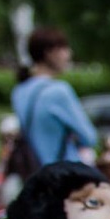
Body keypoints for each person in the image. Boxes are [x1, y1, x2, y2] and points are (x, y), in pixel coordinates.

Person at [11, 27, 98, 167]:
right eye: (64, 49)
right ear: (49, 53)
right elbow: (89, 137)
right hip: (63, 173)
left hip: (36, 173)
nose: (69, 54)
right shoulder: (59, 91)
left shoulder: (19, 91)